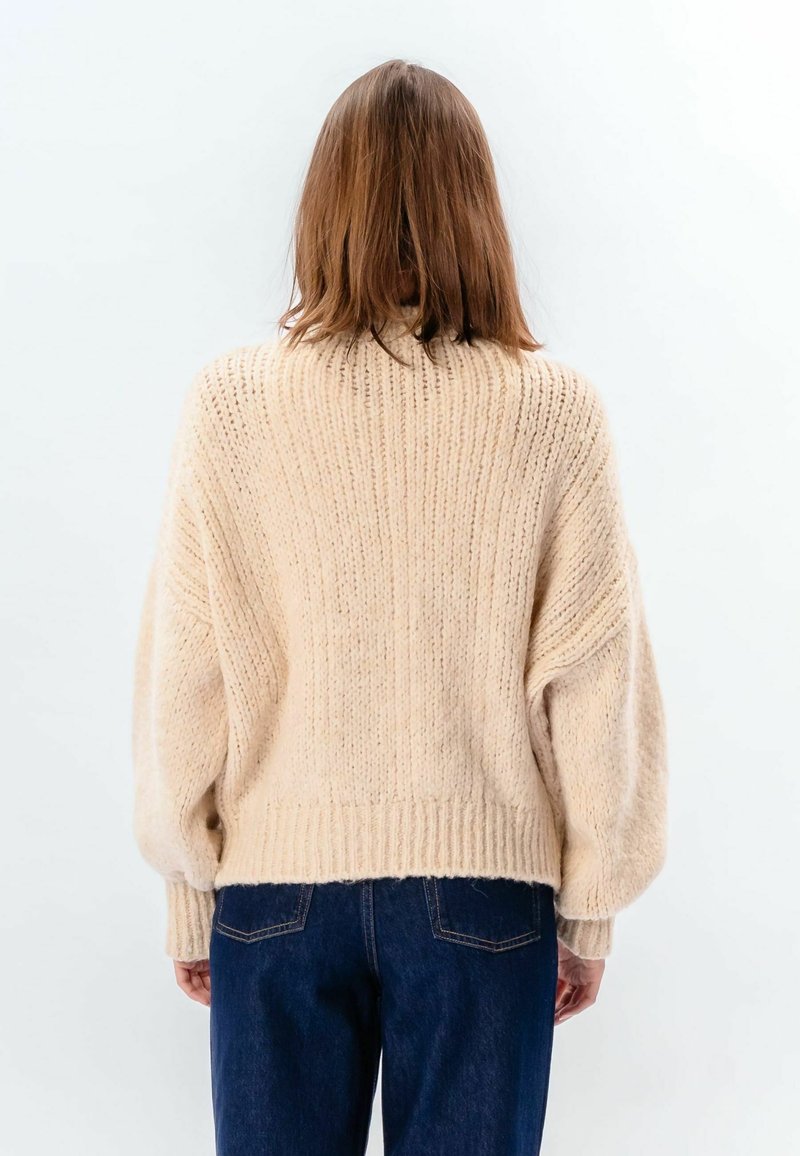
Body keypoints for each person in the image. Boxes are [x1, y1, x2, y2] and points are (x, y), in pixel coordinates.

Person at [132, 58, 668, 1156]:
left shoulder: (233, 406)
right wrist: (588, 906)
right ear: (478, 208)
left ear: (324, 208)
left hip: (276, 895)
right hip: (484, 897)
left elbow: (189, 668)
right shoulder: (553, 411)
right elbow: (594, 676)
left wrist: (191, 887)